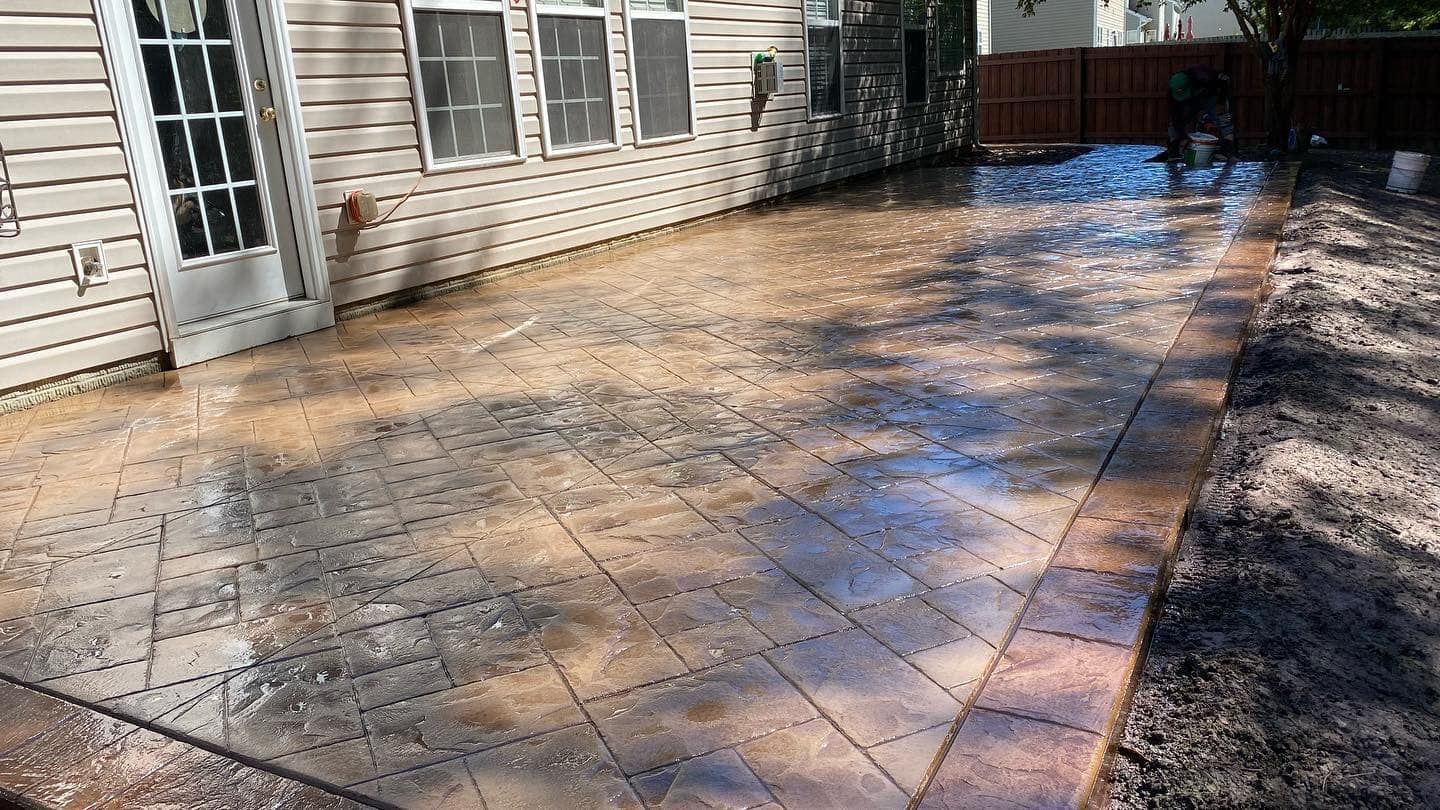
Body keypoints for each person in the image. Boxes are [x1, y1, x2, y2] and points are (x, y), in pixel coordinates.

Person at [1166, 65, 1237, 160]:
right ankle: (1174, 151)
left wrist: (1221, 102)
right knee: (1175, 122)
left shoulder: (1205, 77)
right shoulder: (1173, 92)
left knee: (1224, 120)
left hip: (1211, 96)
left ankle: (1227, 150)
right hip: (1192, 100)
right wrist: (1181, 136)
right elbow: (1175, 115)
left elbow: (1224, 82)